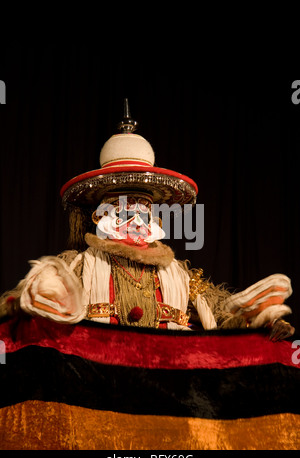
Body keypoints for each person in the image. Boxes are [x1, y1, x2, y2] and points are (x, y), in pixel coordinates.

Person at [0, 101, 295, 341]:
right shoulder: (77, 267)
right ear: (101, 216)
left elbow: (226, 320)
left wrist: (258, 321)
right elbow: (20, 304)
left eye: (143, 209)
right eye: (124, 208)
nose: (136, 217)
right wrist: (34, 301)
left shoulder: (181, 276)